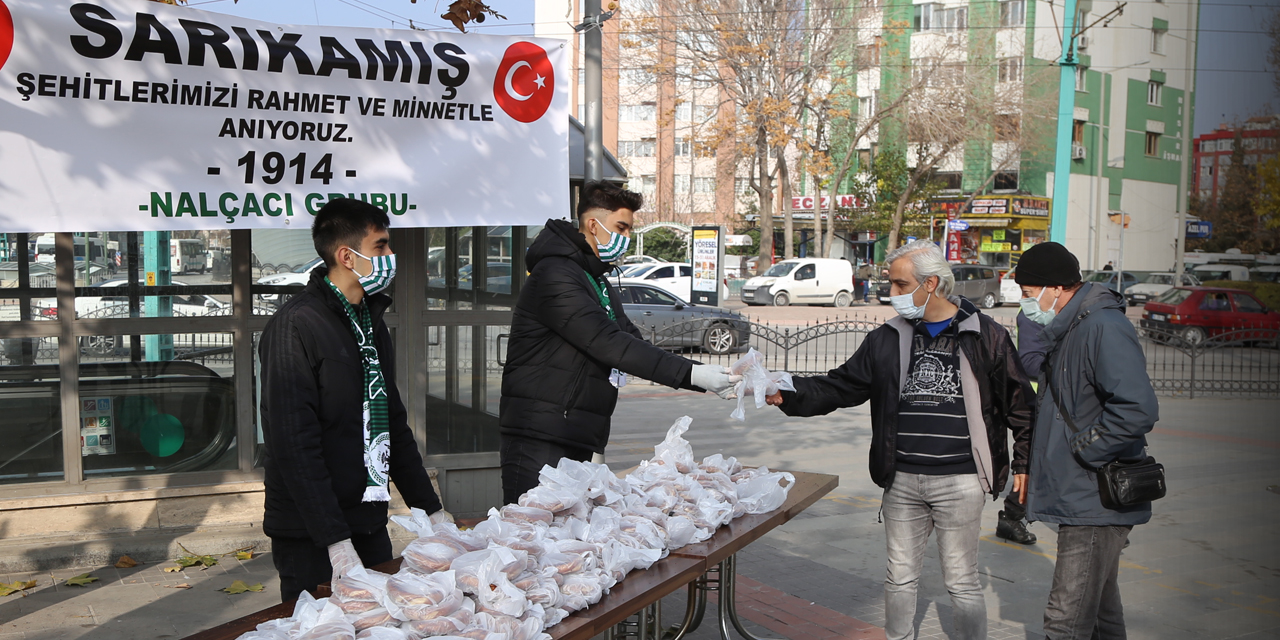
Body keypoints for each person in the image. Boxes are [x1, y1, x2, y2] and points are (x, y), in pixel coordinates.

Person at [765, 239, 1034, 640]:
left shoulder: (986, 335)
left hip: (961, 482)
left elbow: (1019, 402)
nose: (891, 295)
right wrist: (786, 391)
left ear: (929, 285)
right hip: (902, 479)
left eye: (899, 285)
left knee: (961, 581)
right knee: (900, 578)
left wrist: (1024, 461)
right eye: (890, 284)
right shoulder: (887, 338)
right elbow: (842, 385)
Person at [499, 181, 739, 504]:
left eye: (629, 230)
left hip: (577, 434)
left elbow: (632, 341)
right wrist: (696, 376)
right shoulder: (555, 275)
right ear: (593, 225)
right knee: (531, 543)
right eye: (620, 228)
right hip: (540, 437)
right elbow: (610, 343)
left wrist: (706, 373)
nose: (625, 239)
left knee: (567, 547)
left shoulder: (596, 279)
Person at [258, 198, 450, 602]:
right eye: (381, 246)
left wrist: (430, 511)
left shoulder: (369, 323)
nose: (391, 255)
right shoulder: (296, 326)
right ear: (347, 256)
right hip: (312, 533)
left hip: (366, 518)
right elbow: (294, 443)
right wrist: (334, 540)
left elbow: (391, 423)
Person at [1015, 242, 1158, 640]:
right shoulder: (1071, 327)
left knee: (1065, 620)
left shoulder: (1102, 327)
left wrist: (1085, 449)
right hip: (1082, 493)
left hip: (1094, 497)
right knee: (1101, 614)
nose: (1026, 305)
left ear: (1055, 289)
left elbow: (1137, 408)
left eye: (1028, 294)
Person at [995, 300, 1049, 545]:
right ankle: (1012, 516)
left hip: (1054, 398)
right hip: (1038, 398)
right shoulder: (1032, 311)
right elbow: (1028, 361)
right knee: (1032, 461)